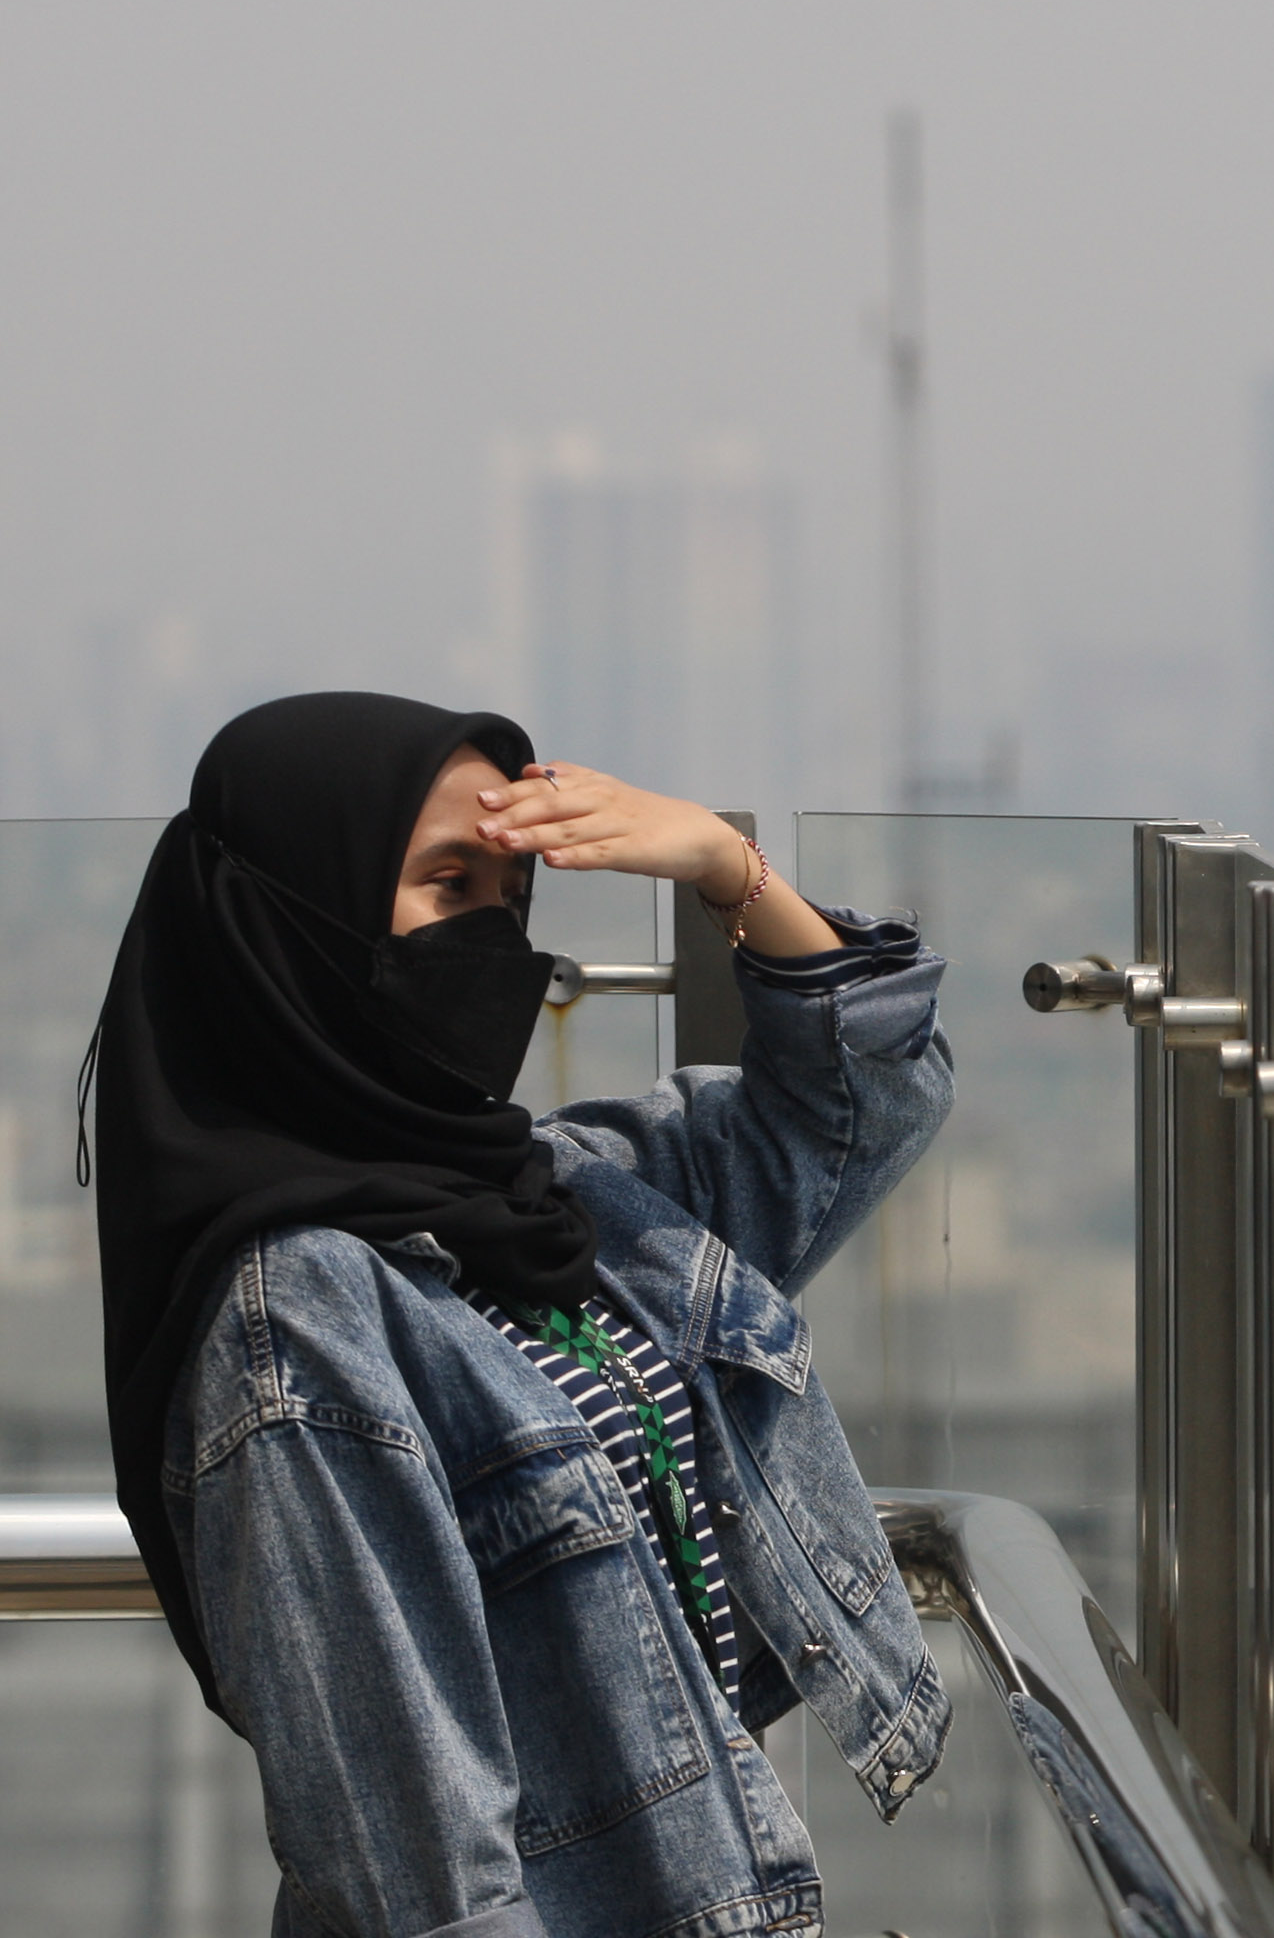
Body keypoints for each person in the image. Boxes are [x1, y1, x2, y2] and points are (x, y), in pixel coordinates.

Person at [90, 691, 954, 1938]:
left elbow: (863, 1107)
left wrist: (727, 867)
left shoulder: (559, 1193)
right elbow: (421, 1867)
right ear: (291, 926)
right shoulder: (300, 1317)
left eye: (512, 894)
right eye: (449, 884)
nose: (492, 940)